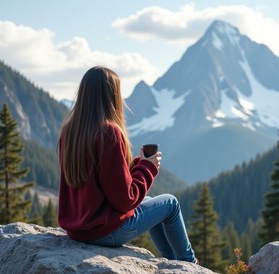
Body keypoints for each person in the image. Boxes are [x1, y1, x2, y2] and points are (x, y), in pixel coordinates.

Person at [57, 66, 196, 263]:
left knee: (150, 199)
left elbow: (101, 181)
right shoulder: (109, 132)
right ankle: (188, 263)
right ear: (112, 95)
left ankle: (173, 261)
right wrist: (148, 168)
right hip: (106, 232)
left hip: (79, 230)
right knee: (170, 203)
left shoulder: (69, 131)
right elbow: (125, 200)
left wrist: (138, 165)